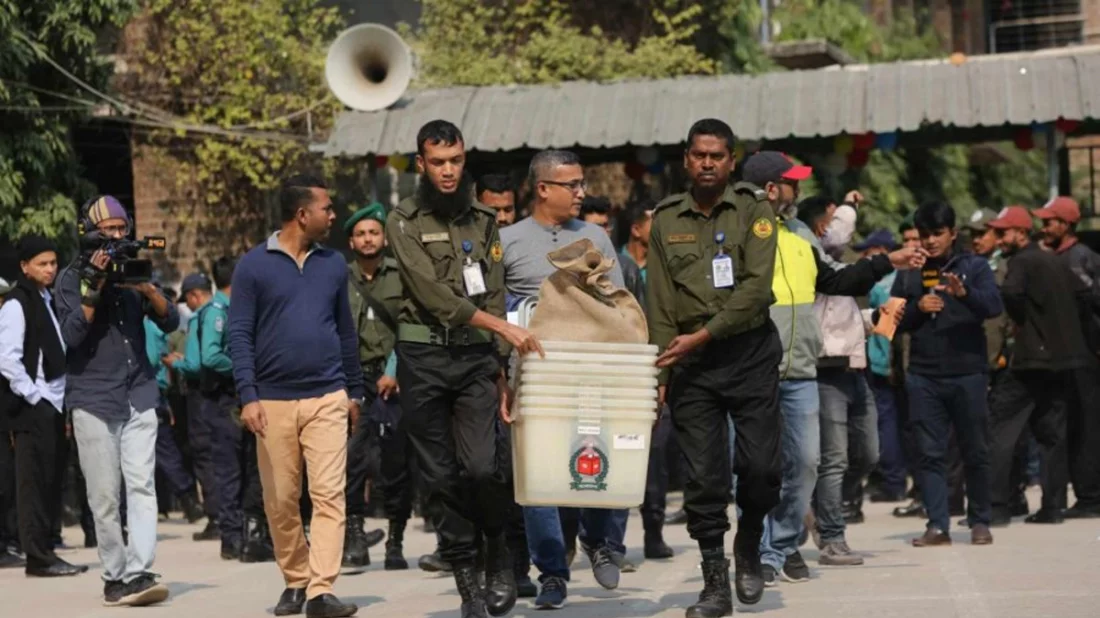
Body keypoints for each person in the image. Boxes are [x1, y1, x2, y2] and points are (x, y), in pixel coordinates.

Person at [387, 119, 543, 618]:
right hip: (424, 358)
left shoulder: (484, 219)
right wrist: (501, 328)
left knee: (482, 466)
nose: (449, 171)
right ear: (421, 164)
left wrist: (499, 364)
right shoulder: (403, 220)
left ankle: (497, 548)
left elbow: (494, 287)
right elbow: (431, 293)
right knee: (440, 477)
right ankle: (466, 582)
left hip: (476, 358)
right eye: (438, 162)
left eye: (456, 160)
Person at [647, 119, 783, 618]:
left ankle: (748, 541)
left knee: (763, 470)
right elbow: (660, 304)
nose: (707, 163)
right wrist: (659, 377)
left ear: (731, 161)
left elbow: (756, 287)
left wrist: (705, 333)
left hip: (747, 353)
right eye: (699, 155)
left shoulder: (754, 208)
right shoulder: (664, 219)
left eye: (717, 156)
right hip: (691, 365)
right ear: (687, 159)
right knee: (703, 480)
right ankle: (714, 584)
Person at [228, 175, 364, 618]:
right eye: (327, 208)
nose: (333, 215)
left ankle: (321, 590)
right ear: (302, 214)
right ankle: (295, 579)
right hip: (271, 401)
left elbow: (345, 330)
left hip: (328, 395)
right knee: (282, 499)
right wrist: (248, 394)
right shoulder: (252, 266)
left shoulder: (333, 264)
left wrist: (354, 390)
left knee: (329, 496)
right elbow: (240, 334)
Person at [503, 152, 629, 609]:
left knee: (597, 460)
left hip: (592, 375)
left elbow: (615, 304)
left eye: (581, 184)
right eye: (571, 185)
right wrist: (505, 377)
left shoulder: (595, 237)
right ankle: (552, 572)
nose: (581, 192)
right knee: (538, 477)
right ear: (542, 189)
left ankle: (600, 543)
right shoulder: (509, 242)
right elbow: (501, 317)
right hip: (534, 378)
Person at [55, 195, 176, 605]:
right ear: (90, 232)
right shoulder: (72, 277)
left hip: (139, 390)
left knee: (142, 485)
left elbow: (170, 318)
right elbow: (72, 336)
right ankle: (115, 575)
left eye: (122, 229)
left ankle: (141, 571)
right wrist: (95, 287)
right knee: (104, 494)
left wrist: (145, 286)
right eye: (109, 231)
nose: (117, 237)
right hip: (92, 396)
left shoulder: (134, 267)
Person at [891, 201, 1003, 547]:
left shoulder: (975, 266)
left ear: (953, 234)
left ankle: (980, 520)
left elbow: (994, 307)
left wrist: (964, 293)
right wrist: (917, 310)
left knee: (976, 450)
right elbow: (889, 321)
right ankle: (937, 524)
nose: (931, 241)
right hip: (924, 376)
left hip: (968, 373)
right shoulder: (909, 270)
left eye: (938, 234)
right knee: (929, 452)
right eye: (925, 235)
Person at [986, 206, 1090, 525]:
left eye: (1004, 232)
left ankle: (996, 506)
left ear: (1020, 232)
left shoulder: (1023, 261)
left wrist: (1023, 322)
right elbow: (1085, 295)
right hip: (1061, 360)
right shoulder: (1055, 261)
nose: (1000, 238)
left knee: (1000, 427)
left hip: (1031, 360)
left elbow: (1011, 293)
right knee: (1051, 434)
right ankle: (1052, 506)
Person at [0, 236, 84, 577]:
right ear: (25, 267)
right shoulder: (17, 304)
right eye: (42, 264)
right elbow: (7, 358)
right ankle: (37, 556)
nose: (49, 269)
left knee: (51, 481)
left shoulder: (46, 299)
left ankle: (47, 550)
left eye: (52, 263)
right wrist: (35, 396)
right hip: (34, 406)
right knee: (33, 484)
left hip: (54, 402)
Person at [1032, 197, 1100, 519]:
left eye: (1050, 222)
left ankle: (1090, 497)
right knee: (1066, 426)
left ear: (1067, 224)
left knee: (1086, 425)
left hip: (1084, 356)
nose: (1044, 227)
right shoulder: (1052, 257)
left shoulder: (1082, 258)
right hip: (1059, 356)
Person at [343, 203, 402, 569]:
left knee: (396, 462)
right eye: (361, 234)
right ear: (352, 241)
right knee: (352, 459)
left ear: (384, 237)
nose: (368, 239)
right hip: (355, 379)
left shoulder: (400, 274)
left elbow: (409, 326)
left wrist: (394, 370)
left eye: (374, 233)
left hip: (395, 377)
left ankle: (395, 540)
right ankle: (355, 535)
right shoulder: (340, 277)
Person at [168, 272, 221, 542]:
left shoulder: (202, 318)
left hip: (200, 395)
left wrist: (174, 362)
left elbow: (197, 364)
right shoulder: (225, 310)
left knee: (204, 455)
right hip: (220, 395)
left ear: (194, 296)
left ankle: (216, 517)